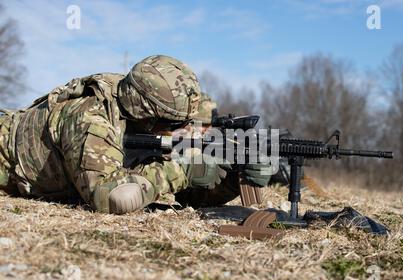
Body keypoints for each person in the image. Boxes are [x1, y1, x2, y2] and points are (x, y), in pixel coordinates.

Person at [0, 55, 270, 214]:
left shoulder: (140, 121)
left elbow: (188, 198)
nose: (182, 131)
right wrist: (181, 171)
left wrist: (232, 180)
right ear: (147, 114)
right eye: (174, 123)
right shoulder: (92, 118)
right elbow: (108, 197)